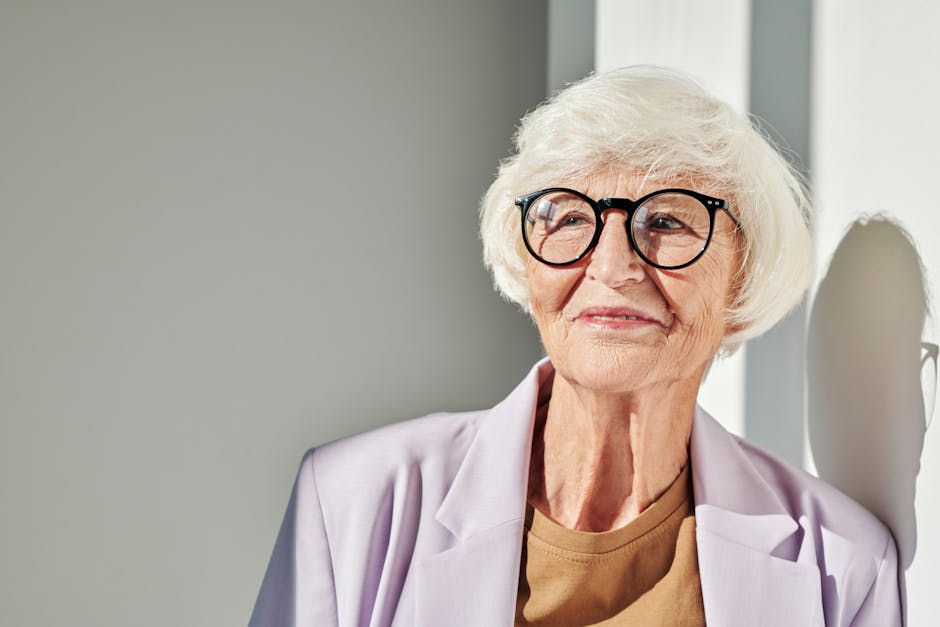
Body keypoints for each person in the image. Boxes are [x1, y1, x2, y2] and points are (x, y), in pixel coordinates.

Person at [248, 67, 902, 627]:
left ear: (743, 271)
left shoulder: (843, 566)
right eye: (568, 217)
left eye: (666, 219)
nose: (612, 265)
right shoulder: (349, 501)